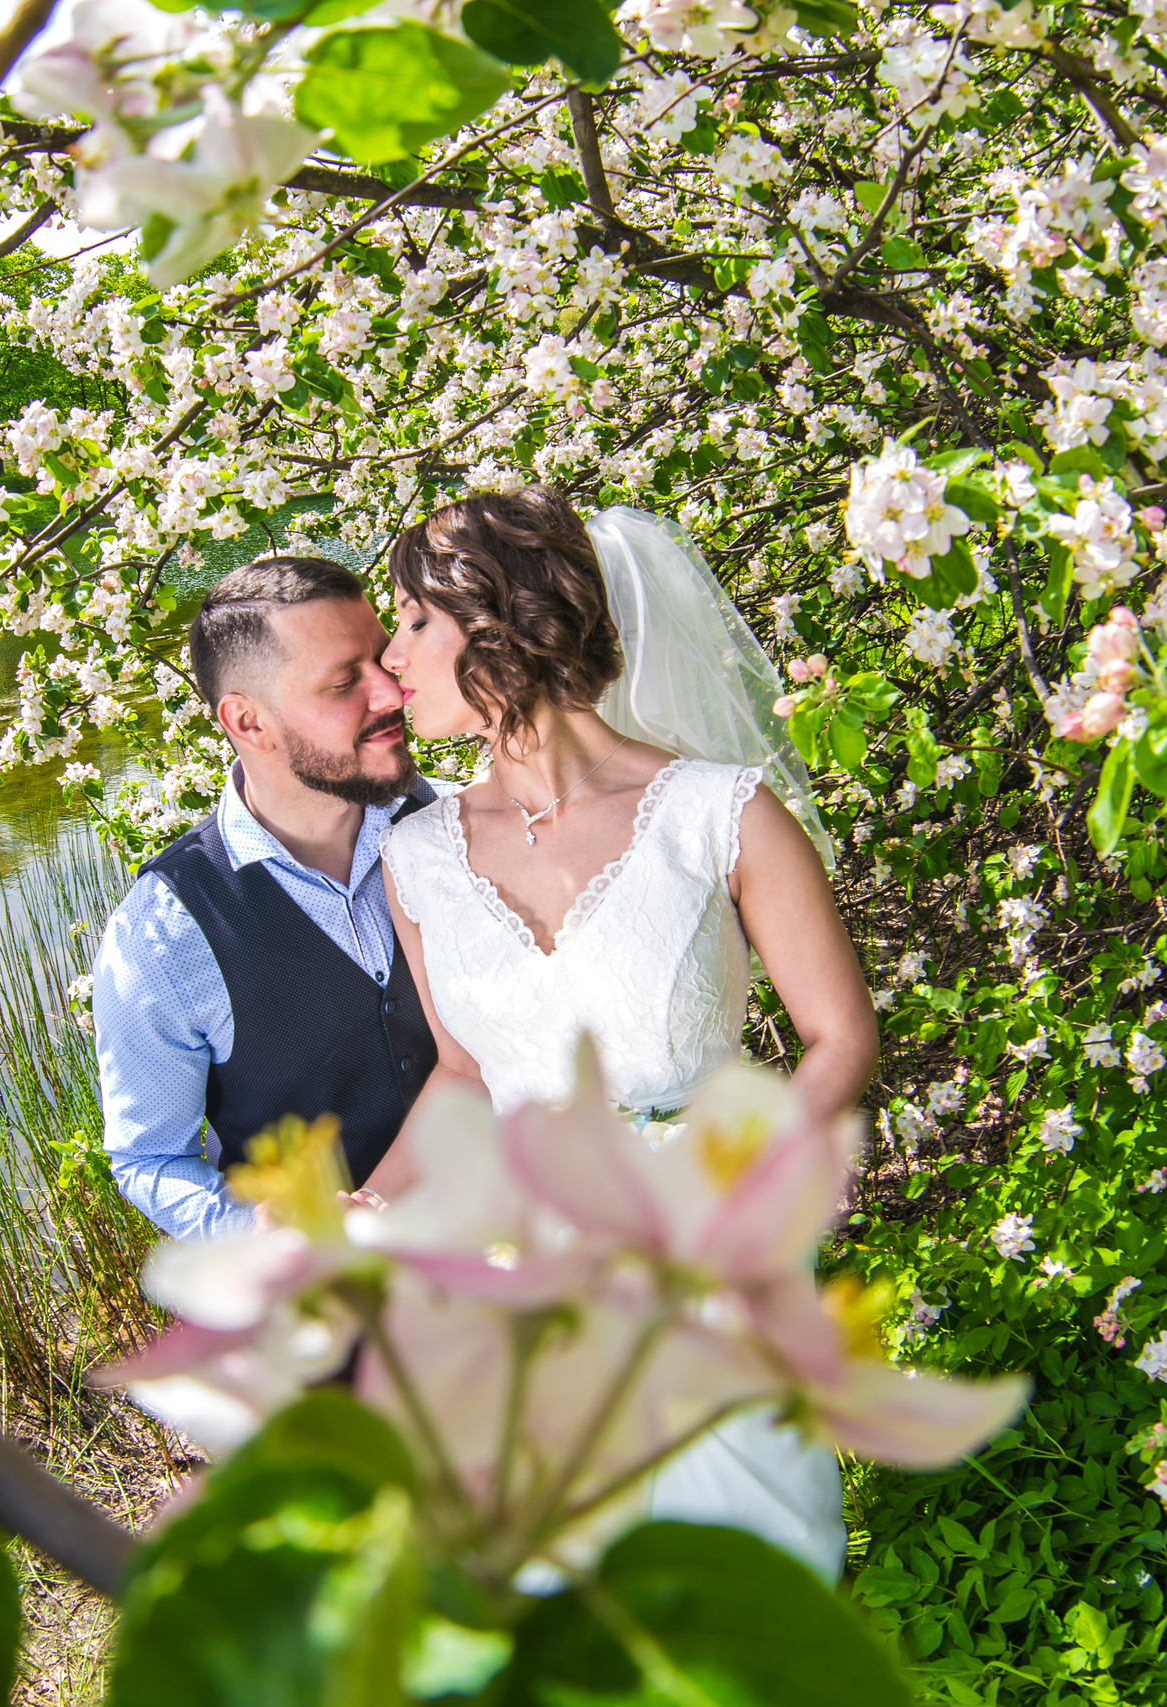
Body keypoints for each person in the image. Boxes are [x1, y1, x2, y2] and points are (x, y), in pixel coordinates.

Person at [371, 487, 877, 1582]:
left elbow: (837, 1038)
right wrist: (364, 1202)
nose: (388, 655)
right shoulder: (416, 857)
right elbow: (462, 1072)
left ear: (495, 623)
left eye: (412, 621)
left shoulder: (719, 813)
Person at [90, 556, 437, 1240]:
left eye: (383, 660)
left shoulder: (453, 826)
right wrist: (251, 1230)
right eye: (344, 683)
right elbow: (147, 1157)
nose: (390, 694)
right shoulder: (162, 936)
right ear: (249, 723)